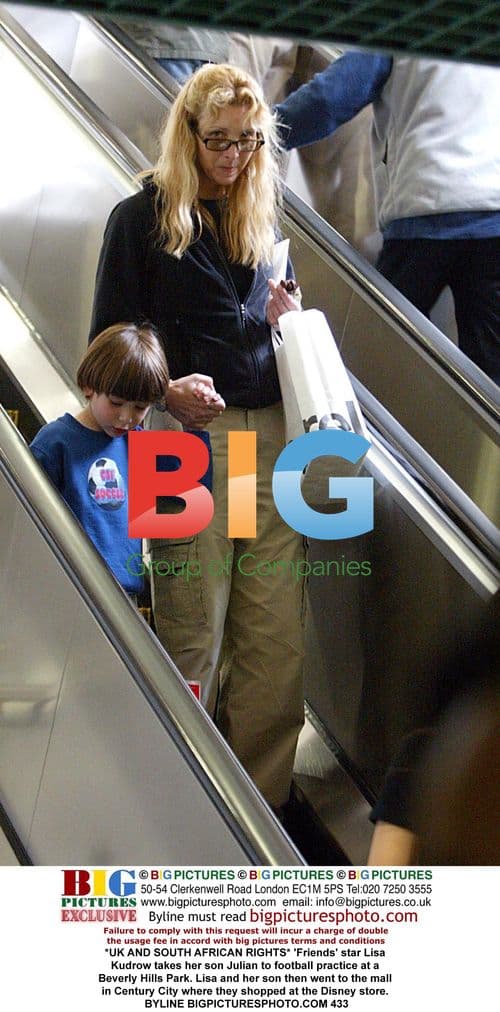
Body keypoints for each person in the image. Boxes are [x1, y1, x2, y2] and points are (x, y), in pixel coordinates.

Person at [88, 63, 306, 815]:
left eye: (249, 142)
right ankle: (179, 812)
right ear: (187, 132)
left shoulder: (259, 216)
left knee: (274, 644)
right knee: (190, 638)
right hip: (177, 444)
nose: (235, 156)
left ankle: (261, 826)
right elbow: (106, 347)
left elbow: (275, 327)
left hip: (269, 439)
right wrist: (165, 387)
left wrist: (285, 316)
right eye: (219, 140)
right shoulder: (139, 218)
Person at [275, 53, 500, 384]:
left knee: (375, 359)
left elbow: (331, 97)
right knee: (490, 372)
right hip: (492, 215)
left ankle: (362, 431)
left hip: (424, 211)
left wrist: (262, 131)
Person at [29, 322, 171, 600]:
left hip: (123, 596)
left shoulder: (137, 444)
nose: (126, 417)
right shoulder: (56, 442)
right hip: (70, 589)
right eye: (116, 403)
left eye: (140, 407)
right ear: (89, 387)